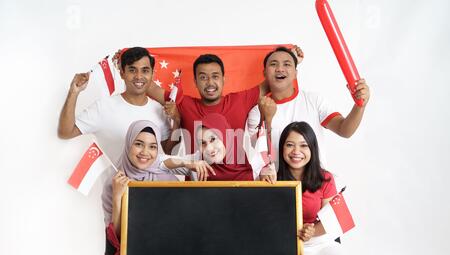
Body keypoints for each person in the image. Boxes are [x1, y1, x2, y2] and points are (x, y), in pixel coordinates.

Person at [102, 120, 213, 255]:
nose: (145, 152)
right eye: (138, 144)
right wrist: (117, 198)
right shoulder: (113, 182)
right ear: (129, 143)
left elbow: (186, 224)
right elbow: (115, 244)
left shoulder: (164, 174)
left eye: (153, 146)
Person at [144, 48, 304, 172]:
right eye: (203, 77)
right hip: (199, 184)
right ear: (195, 81)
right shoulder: (184, 103)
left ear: (223, 78)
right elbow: (149, 86)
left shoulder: (239, 100)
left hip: (239, 182)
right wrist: (123, 60)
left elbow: (272, 79)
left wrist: (292, 60)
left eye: (215, 76)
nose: (210, 82)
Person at [272, 121, 365, 255]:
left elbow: (329, 219)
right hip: (295, 247)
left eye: (303, 145)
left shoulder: (325, 178)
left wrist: (312, 230)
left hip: (324, 241)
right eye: (290, 145)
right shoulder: (273, 180)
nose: (296, 151)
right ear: (281, 148)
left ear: (312, 149)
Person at [247, 46, 370, 178]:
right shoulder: (257, 111)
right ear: (264, 73)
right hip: (280, 189)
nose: (280, 69)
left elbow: (344, 130)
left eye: (287, 64)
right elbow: (258, 156)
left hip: (315, 188)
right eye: (273, 64)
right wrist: (267, 119)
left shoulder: (314, 100)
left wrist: (360, 105)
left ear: (295, 73)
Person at [58, 47, 179, 162]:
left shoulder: (159, 109)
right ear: (122, 73)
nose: (139, 76)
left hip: (148, 183)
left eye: (145, 70)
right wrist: (73, 92)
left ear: (152, 74)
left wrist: (177, 121)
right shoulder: (104, 107)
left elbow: (170, 151)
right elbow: (65, 132)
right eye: (132, 70)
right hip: (113, 182)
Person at [195, 113, 254, 181]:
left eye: (213, 139)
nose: (209, 148)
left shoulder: (253, 161)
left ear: (226, 137)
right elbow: (179, 163)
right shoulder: (198, 162)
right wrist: (187, 164)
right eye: (202, 143)